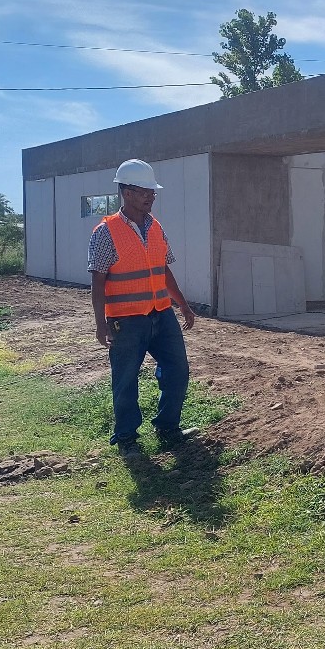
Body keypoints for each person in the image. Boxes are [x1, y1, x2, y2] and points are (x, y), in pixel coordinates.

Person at [89, 159, 198, 456]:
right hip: (126, 320)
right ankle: (126, 439)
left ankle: (168, 427)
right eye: (144, 191)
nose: (151, 196)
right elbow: (97, 280)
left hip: (161, 314)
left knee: (178, 370)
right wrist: (101, 323)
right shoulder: (105, 232)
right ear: (126, 192)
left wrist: (183, 305)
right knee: (125, 379)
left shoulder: (155, 227)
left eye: (153, 192)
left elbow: (163, 269)